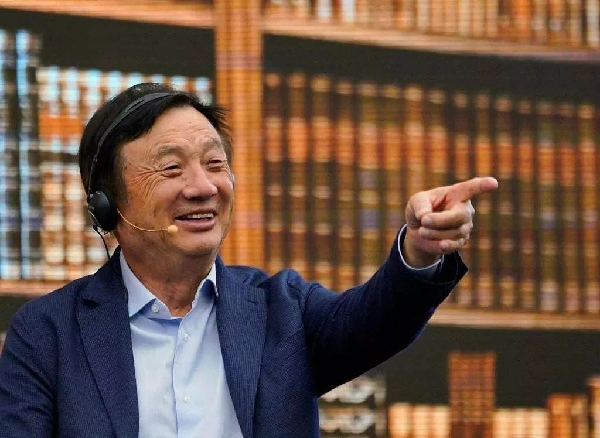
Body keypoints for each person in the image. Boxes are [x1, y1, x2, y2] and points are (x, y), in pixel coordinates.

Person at [0, 82, 498, 437]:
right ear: (107, 206)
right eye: (171, 168)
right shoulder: (47, 333)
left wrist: (420, 248)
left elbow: (376, 321)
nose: (203, 187)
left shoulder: (284, 309)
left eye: (215, 163)